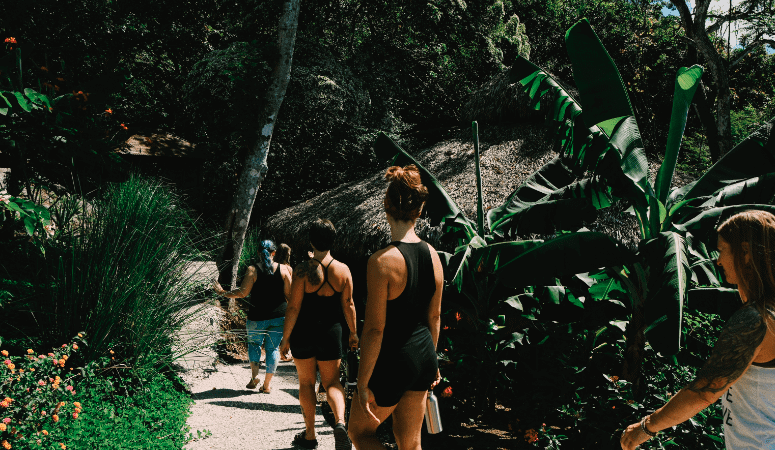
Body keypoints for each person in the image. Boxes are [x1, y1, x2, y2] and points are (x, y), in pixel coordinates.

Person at [621, 210, 775, 450]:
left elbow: (706, 390)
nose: (718, 261)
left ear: (745, 252)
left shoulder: (755, 319)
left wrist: (646, 427)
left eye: (722, 250)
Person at [348, 165, 444, 450]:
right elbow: (435, 316)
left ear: (386, 205)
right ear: (420, 209)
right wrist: (432, 361)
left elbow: (376, 329)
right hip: (423, 355)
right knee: (410, 444)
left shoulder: (381, 262)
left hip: (392, 360)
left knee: (360, 433)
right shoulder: (435, 257)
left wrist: (363, 382)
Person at [279, 219, 359, 450]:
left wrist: (286, 338)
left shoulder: (303, 270)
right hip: (331, 332)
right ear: (333, 240)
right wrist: (353, 333)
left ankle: (311, 435)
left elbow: (293, 307)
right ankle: (341, 423)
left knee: (306, 383)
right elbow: (349, 304)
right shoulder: (343, 270)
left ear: (311, 241)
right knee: (332, 382)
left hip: (304, 332)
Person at [213, 239, 292, 393]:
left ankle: (255, 377)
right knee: (273, 349)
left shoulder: (252, 270)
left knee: (254, 345)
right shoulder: (284, 270)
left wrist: (223, 293)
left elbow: (242, 293)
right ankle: (267, 385)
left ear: (258, 252)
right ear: (274, 253)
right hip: (279, 318)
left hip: (257, 318)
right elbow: (290, 296)